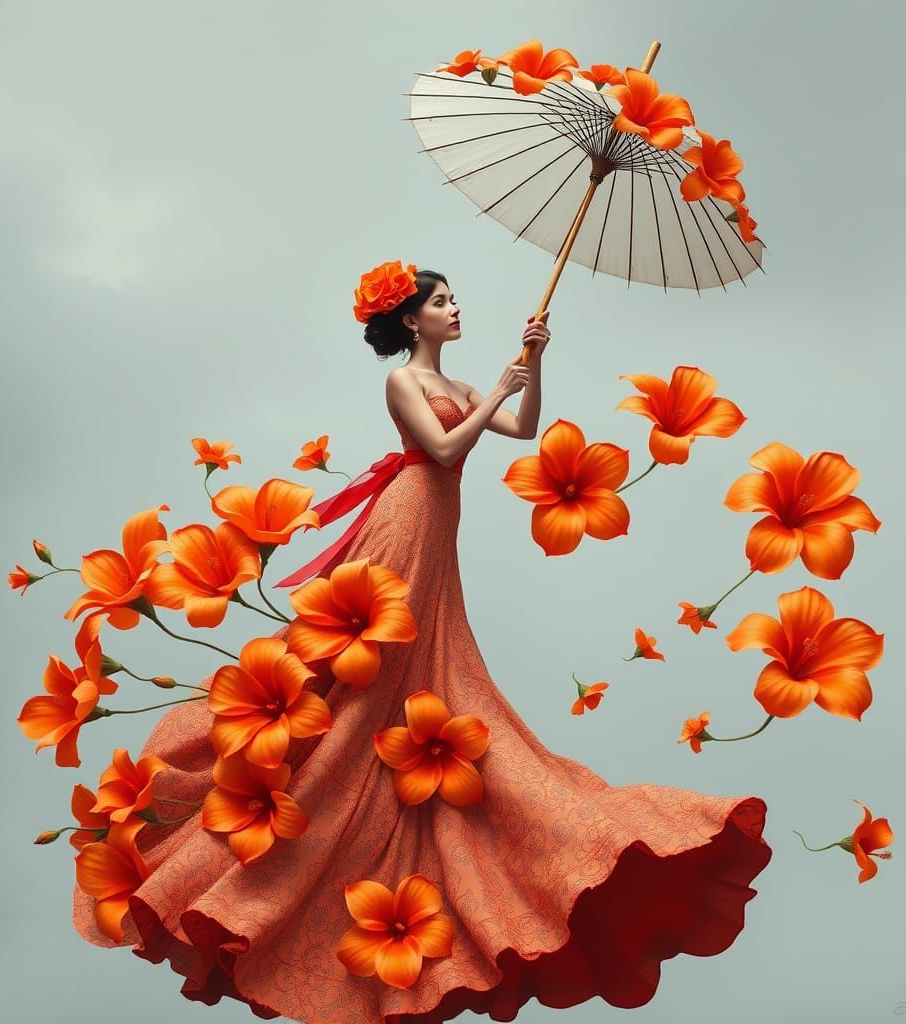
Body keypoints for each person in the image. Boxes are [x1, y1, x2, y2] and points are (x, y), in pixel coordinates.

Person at [71, 261, 772, 1024]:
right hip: (405, 519)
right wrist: (495, 392)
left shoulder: (463, 384)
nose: (455, 308)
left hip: (438, 531)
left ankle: (358, 758)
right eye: (442, 301)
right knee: (346, 659)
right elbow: (439, 451)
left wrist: (532, 364)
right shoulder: (404, 380)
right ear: (411, 320)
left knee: (402, 669)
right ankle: (246, 763)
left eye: (452, 299)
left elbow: (523, 429)